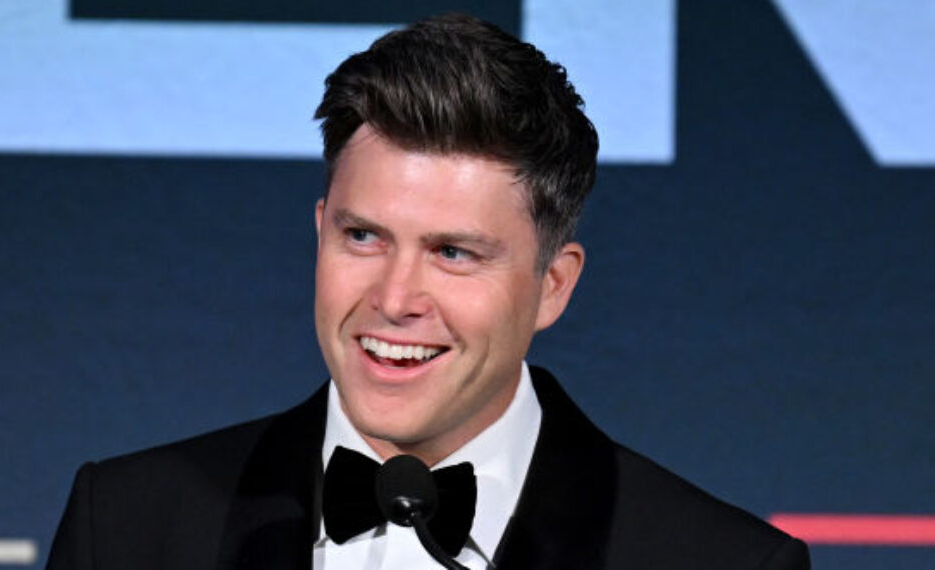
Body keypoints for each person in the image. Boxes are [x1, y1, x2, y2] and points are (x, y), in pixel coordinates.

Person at [46, 13, 809, 570]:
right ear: (320, 232)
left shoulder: (719, 562)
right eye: (363, 237)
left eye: (452, 252)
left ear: (553, 286)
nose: (395, 296)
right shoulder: (124, 529)